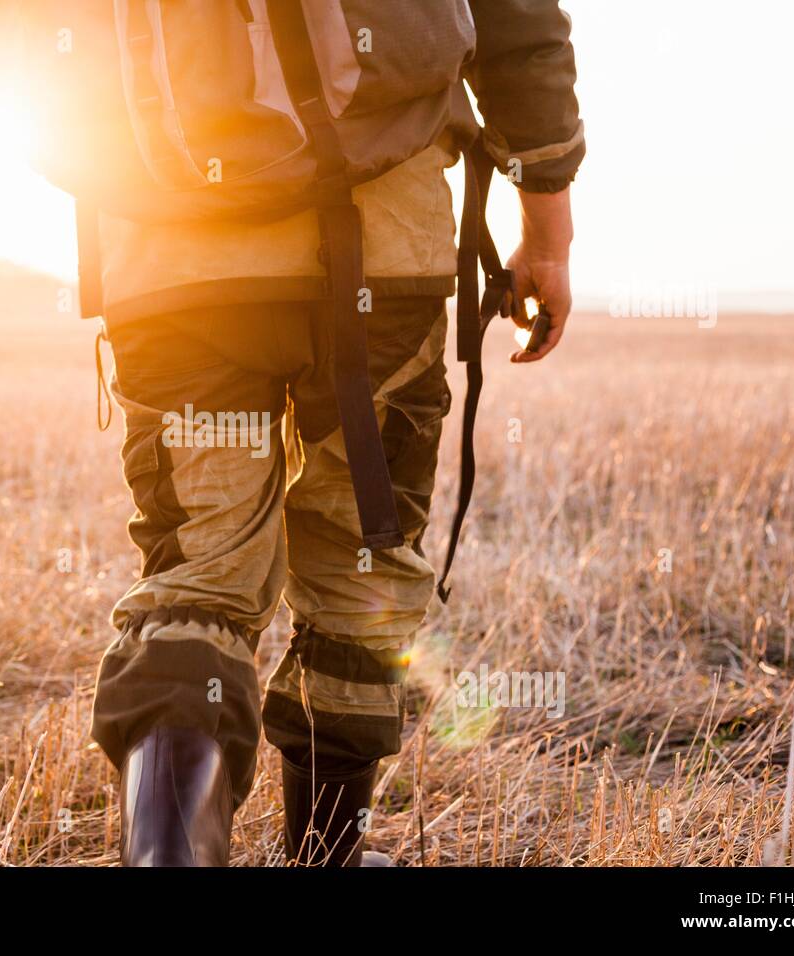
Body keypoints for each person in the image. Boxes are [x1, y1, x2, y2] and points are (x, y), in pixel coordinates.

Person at [89, 1, 584, 867]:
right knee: (362, 562)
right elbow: (515, 19)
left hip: (167, 256)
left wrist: (106, 152)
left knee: (194, 581)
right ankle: (327, 863)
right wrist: (548, 220)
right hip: (380, 248)